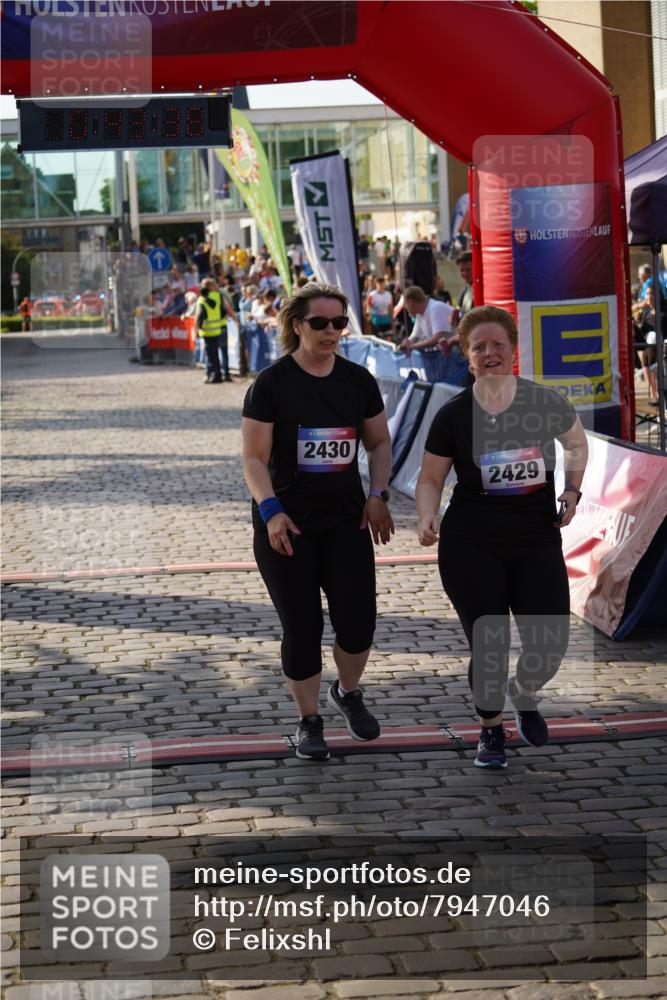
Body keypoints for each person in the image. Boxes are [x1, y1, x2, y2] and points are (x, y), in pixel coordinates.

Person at [416, 305, 588, 770]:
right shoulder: (453, 414)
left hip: (535, 538)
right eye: (479, 347)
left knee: (549, 642)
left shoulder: (543, 401)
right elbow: (430, 478)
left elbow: (575, 443)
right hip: (472, 542)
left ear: (513, 350)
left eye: (497, 345)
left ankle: (524, 692)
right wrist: (427, 516)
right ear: (466, 356)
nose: (489, 353)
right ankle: (491, 729)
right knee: (488, 641)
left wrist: (572, 490)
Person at [241, 282, 394, 761]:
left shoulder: (357, 381)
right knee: (302, 627)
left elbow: (379, 443)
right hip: (286, 527)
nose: (332, 332)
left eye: (340, 323)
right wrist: (271, 512)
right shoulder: (271, 384)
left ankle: (347, 692)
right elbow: (253, 458)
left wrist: (378, 495)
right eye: (320, 323)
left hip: (345, 522)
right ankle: (309, 721)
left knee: (358, 623)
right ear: (295, 325)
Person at [196, 277, 238, 383]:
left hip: (207, 331)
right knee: (223, 352)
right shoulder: (219, 296)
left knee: (210, 353)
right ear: (212, 286)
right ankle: (226, 374)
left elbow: (197, 316)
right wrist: (236, 320)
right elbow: (229, 310)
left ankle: (209, 374)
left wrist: (196, 330)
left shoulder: (201, 298)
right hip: (221, 328)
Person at [398, 285, 455, 353]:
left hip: (459, 355)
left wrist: (412, 346)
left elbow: (437, 339)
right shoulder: (420, 314)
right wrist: (407, 342)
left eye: (405, 304)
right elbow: (415, 336)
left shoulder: (435, 308)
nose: (405, 307)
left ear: (411, 302)